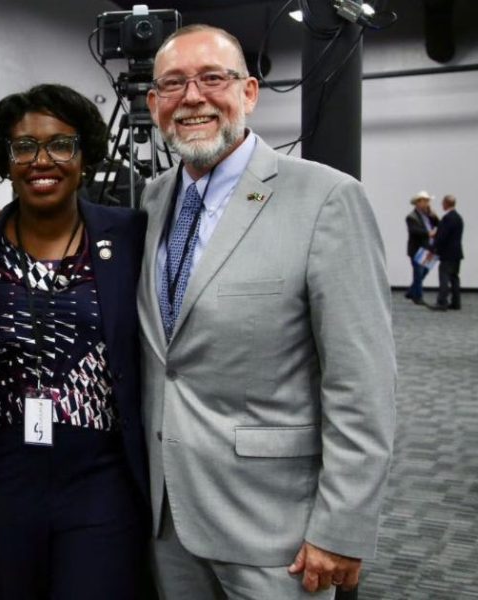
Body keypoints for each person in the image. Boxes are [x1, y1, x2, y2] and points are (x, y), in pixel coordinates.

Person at [136, 24, 396, 598]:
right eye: (173, 84)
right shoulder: (152, 200)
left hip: (278, 529)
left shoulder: (326, 198)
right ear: (154, 104)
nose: (193, 97)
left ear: (249, 92)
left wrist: (342, 525)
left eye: (212, 78)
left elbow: (362, 382)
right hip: (169, 519)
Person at [0, 84, 152, 599]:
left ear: (85, 156)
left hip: (100, 478)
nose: (42, 161)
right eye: (24, 147)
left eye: (61, 145)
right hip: (2, 477)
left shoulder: (129, 236)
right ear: (6, 160)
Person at [405, 190, 439, 305]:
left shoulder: (429, 215)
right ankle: (418, 297)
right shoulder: (412, 217)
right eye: (425, 201)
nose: (427, 203)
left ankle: (411, 291)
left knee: (424, 271)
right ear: (418, 202)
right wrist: (428, 233)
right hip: (418, 249)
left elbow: (439, 224)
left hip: (429, 248)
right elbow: (414, 231)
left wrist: (433, 215)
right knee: (418, 273)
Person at [432, 194, 463, 310]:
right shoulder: (458, 218)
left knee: (444, 277)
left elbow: (442, 236)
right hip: (457, 253)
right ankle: (456, 302)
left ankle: (442, 302)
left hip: (447, 254)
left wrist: (434, 247)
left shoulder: (447, 218)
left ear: (446, 203)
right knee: (454, 278)